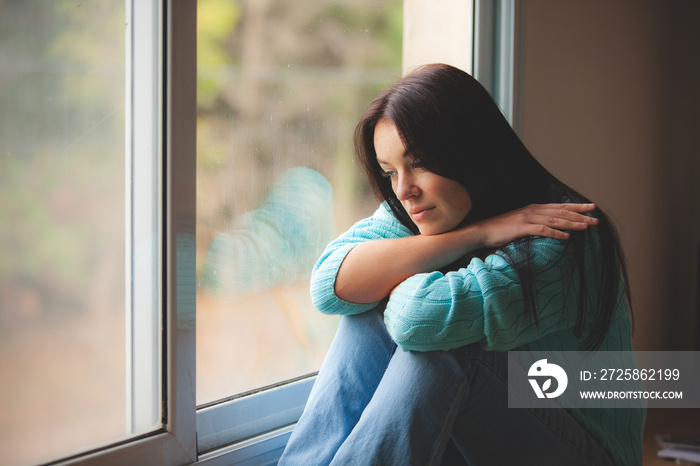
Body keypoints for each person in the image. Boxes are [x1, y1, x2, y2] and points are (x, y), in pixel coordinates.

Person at [278, 63, 644, 465]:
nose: (403, 190)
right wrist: (479, 234)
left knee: (447, 344)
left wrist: (390, 276)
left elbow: (420, 318)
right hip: (489, 435)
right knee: (365, 308)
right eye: (389, 172)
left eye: (418, 162)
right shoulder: (431, 211)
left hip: (586, 452)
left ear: (470, 151)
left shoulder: (564, 236)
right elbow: (331, 283)